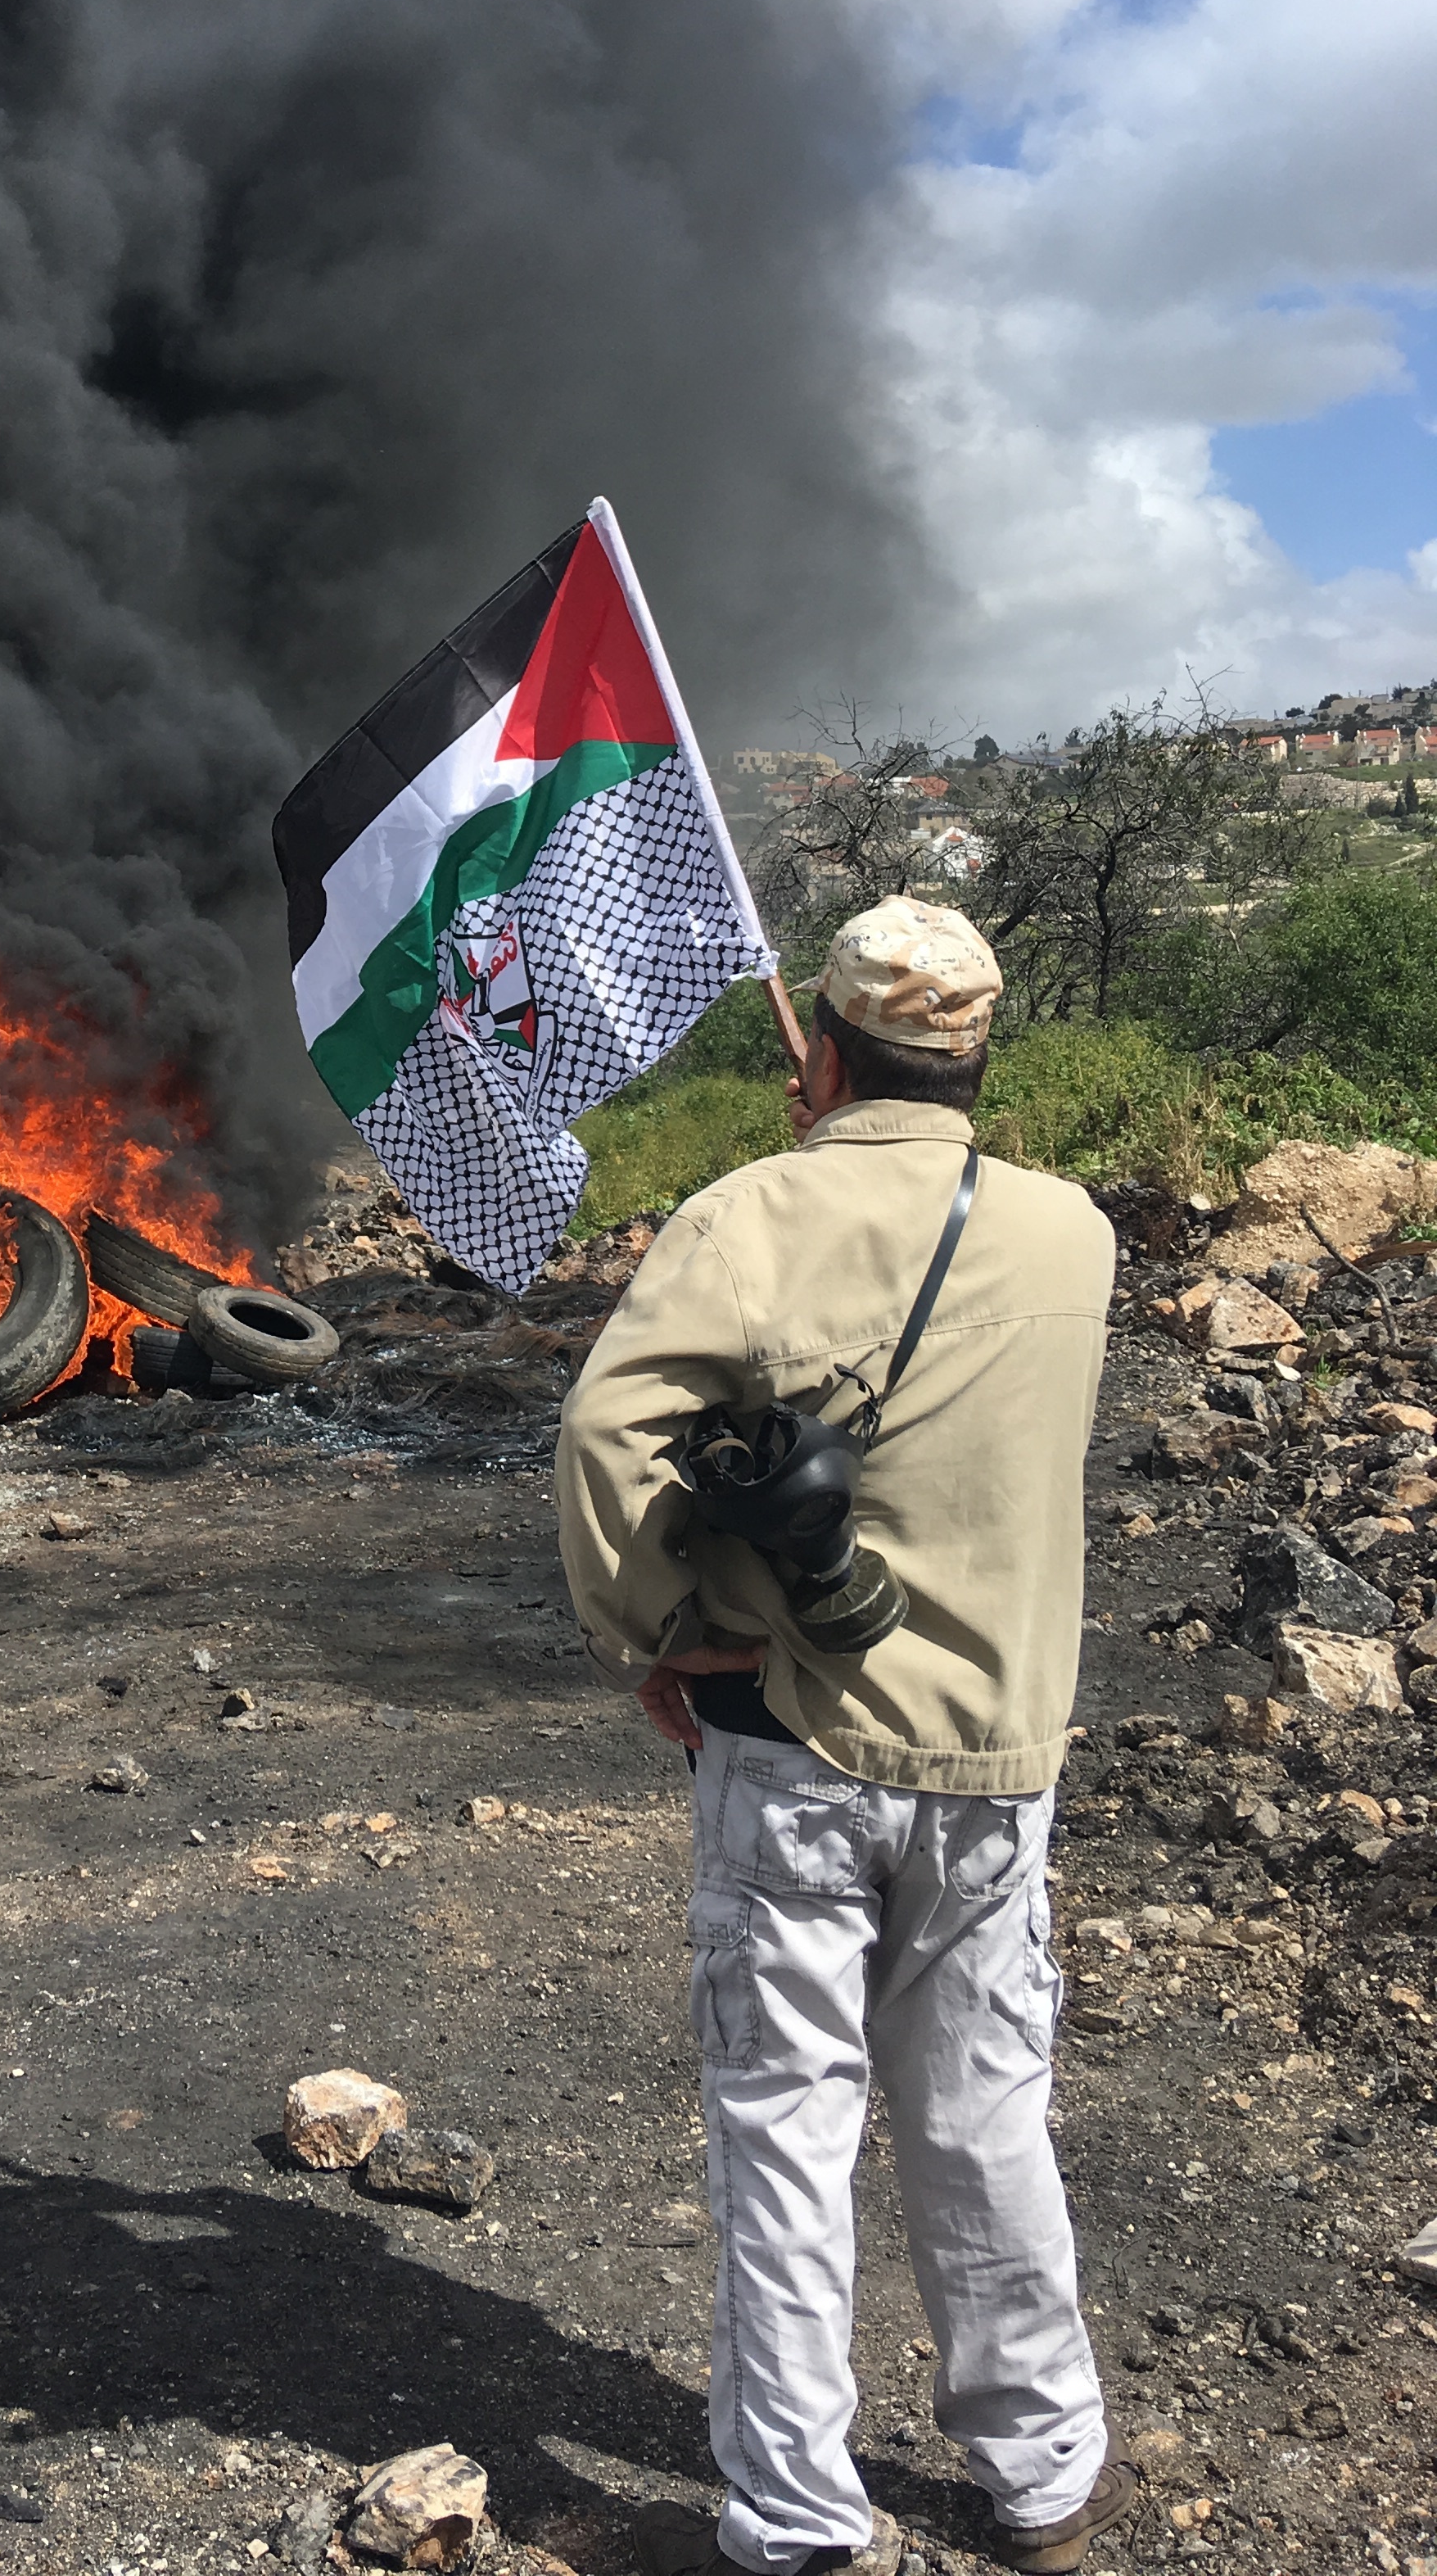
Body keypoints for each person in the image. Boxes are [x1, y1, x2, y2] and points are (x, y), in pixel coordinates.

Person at [556, 897, 1139, 2576]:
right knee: (983, 2111)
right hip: (996, 1756)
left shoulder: (754, 1213)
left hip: (795, 1745)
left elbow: (607, 1430)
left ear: (821, 1048)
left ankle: (803, 2516)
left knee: (788, 2125)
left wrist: (660, 1630)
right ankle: (1037, 2475)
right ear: (976, 1050)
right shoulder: (1073, 1233)